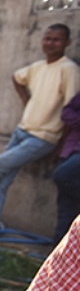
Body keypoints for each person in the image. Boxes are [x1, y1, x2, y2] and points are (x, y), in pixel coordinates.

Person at [0, 24, 80, 237]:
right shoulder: (38, 67)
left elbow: (70, 111)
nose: (50, 43)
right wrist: (25, 99)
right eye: (47, 38)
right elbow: (17, 77)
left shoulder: (69, 69)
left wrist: (61, 146)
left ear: (67, 43)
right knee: (2, 179)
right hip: (22, 131)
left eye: (56, 39)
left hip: (43, 137)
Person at [54, 92, 80, 243]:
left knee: (63, 175)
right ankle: (57, 250)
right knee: (65, 205)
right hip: (71, 148)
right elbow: (66, 113)